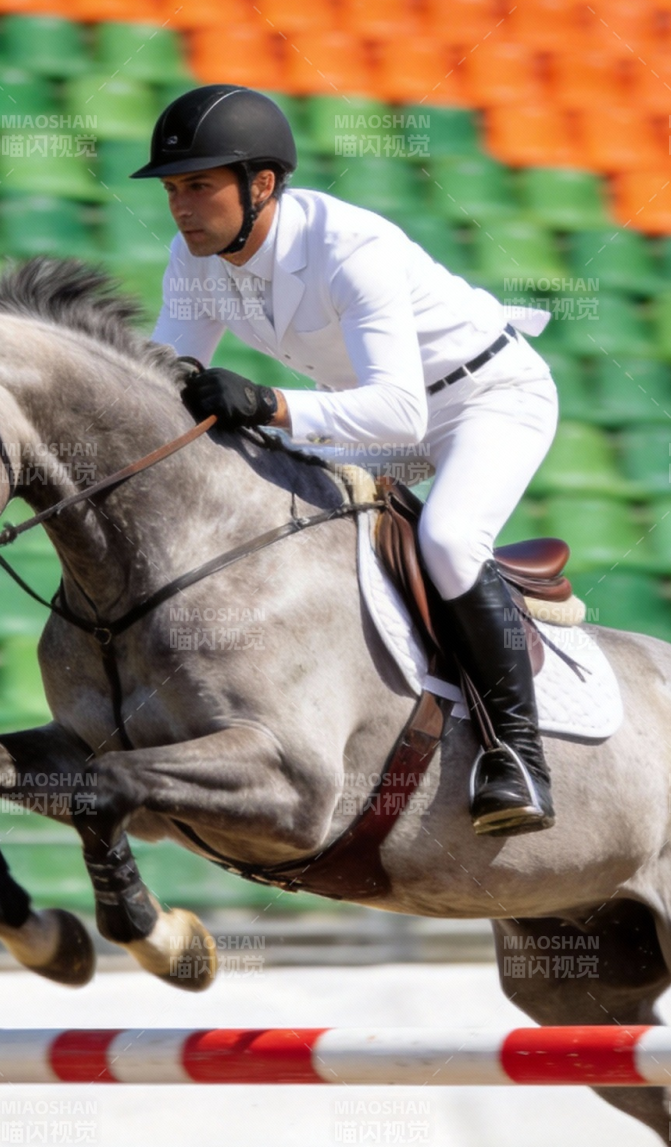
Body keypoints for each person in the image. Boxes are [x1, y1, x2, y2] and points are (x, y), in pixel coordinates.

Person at [135, 83, 561, 838]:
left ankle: (517, 753)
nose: (180, 206)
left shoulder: (346, 246)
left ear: (260, 185)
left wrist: (269, 404)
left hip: (483, 398)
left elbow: (402, 413)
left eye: (198, 186)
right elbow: (173, 380)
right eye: (173, 189)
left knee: (449, 538)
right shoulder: (192, 257)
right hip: (368, 413)